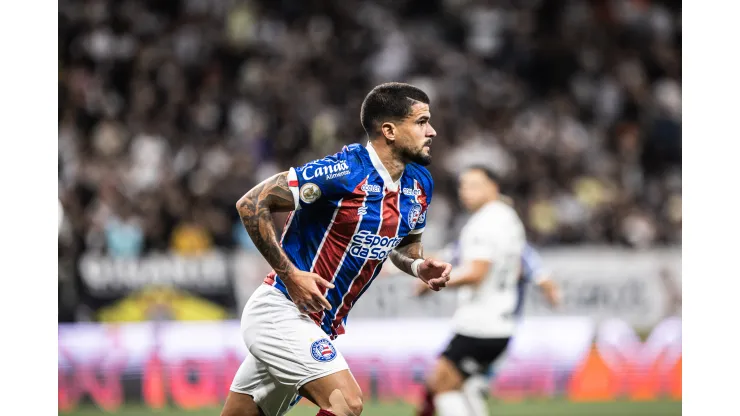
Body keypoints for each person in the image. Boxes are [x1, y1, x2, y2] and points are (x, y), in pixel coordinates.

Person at [221, 82, 453, 416]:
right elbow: (252, 202)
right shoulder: (344, 172)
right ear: (389, 130)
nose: (431, 131)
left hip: (318, 325)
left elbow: (404, 244)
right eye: (421, 122)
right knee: (347, 403)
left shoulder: (419, 183)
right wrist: (291, 275)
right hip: (281, 312)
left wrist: (418, 266)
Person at [414, 166, 560, 416]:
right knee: (463, 388)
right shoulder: (507, 217)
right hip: (500, 322)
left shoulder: (485, 223)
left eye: (474, 185)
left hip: (480, 324)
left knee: (441, 387)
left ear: (493, 187)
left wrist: (436, 282)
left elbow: (476, 273)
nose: (465, 192)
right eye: (462, 186)